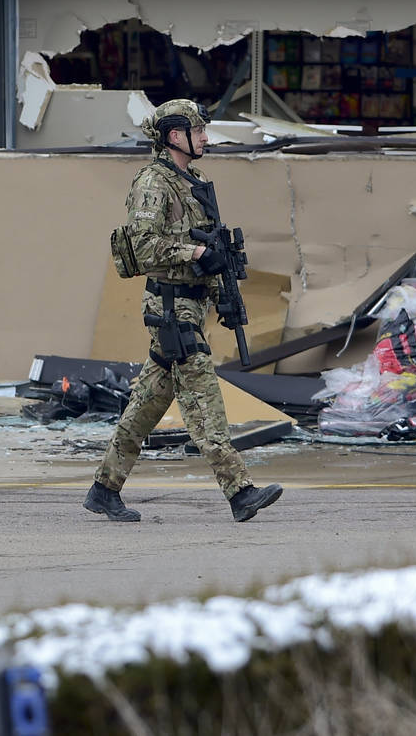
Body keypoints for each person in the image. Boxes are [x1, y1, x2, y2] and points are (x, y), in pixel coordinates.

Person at [84, 99, 283, 523]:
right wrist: (194, 250)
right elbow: (143, 246)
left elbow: (209, 246)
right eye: (199, 131)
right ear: (176, 135)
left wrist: (221, 284)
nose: (207, 138)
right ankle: (239, 491)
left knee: (147, 403)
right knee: (203, 400)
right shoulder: (154, 184)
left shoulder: (191, 179)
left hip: (189, 303)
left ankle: (104, 488)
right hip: (170, 308)